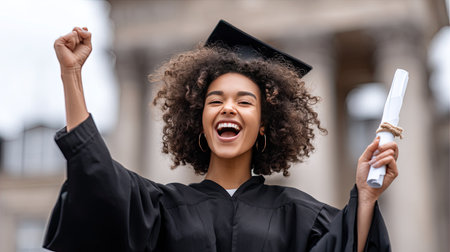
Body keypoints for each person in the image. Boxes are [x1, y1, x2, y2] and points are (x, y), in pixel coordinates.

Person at [44, 20, 398, 252]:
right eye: (216, 101)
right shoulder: (161, 207)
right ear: (199, 121)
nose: (228, 108)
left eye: (244, 102)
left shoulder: (301, 214)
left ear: (264, 125)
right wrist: (71, 75)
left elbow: (348, 245)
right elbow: (96, 176)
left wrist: (365, 197)